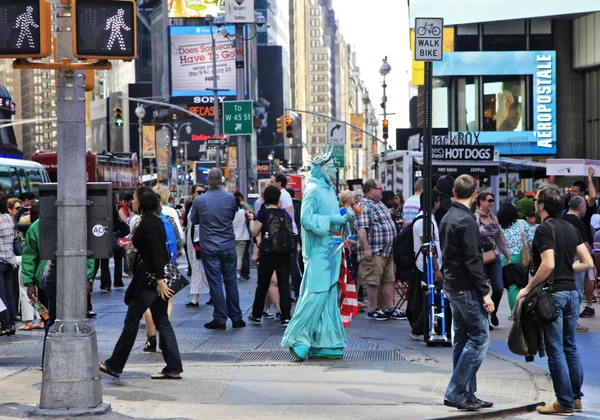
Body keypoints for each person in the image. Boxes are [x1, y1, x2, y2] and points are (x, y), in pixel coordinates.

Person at [517, 184, 593, 416]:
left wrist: (528, 287)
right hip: (571, 293)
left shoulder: (543, 229)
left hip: (554, 295)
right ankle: (575, 398)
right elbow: (588, 262)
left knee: (556, 349)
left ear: (541, 205)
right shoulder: (571, 228)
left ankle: (564, 402)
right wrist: (567, 269)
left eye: (537, 200)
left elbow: (548, 264)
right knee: (570, 347)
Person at [99, 186, 183, 379]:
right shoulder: (154, 220)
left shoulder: (148, 223)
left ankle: (115, 364)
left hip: (148, 281)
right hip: (152, 279)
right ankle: (173, 367)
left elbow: (158, 253)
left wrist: (161, 281)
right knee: (162, 321)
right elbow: (151, 248)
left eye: (135, 199)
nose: (132, 203)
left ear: (142, 202)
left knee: (132, 321)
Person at [281, 149, 355, 361]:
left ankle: (325, 341)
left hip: (331, 249)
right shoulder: (312, 190)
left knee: (328, 295)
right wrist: (335, 218)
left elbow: (330, 217)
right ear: (321, 168)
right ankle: (298, 338)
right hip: (318, 251)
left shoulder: (329, 190)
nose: (334, 170)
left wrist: (344, 216)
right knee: (316, 294)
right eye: (330, 166)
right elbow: (306, 219)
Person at [439, 174, 494, 411]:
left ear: (453, 192)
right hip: (465, 288)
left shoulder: (448, 217)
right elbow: (473, 261)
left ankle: (466, 393)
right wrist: (485, 293)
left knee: (462, 341)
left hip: (453, 286)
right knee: (480, 338)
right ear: (474, 194)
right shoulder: (466, 221)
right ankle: (456, 391)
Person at [190, 168, 245, 330]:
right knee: (231, 282)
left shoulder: (200, 201)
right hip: (228, 245)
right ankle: (236, 317)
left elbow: (194, 219)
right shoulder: (230, 199)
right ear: (221, 181)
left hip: (210, 247)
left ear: (208, 181)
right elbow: (232, 215)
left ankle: (220, 318)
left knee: (215, 282)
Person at [357, 179, 406, 321]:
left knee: (389, 280)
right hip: (374, 250)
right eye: (379, 189)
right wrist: (366, 248)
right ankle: (373, 309)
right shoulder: (364, 206)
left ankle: (389, 308)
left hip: (387, 250)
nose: (382, 191)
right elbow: (361, 229)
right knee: (373, 280)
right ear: (371, 190)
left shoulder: (379, 204)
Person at [247, 185, 293, 327]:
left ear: (265, 199)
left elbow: (254, 232)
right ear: (279, 199)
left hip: (268, 253)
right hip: (284, 253)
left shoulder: (263, 214)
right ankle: (286, 317)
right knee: (284, 285)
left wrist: (250, 220)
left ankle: (256, 315)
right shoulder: (285, 215)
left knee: (262, 285)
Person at [473, 191, 510, 330]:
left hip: (494, 257)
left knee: (499, 288)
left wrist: (507, 256)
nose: (491, 203)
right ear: (481, 202)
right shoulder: (475, 218)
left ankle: (493, 310)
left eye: (493, 200)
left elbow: (499, 238)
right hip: (481, 258)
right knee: (482, 289)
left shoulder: (494, 218)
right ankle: (485, 319)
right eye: (489, 200)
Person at [410, 190, 443, 341]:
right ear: (435, 203)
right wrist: (436, 269)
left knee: (425, 297)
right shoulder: (425, 222)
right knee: (427, 298)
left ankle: (422, 327)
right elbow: (428, 247)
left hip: (426, 266)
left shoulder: (427, 219)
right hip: (426, 267)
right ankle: (419, 329)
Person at [567, 168, 597, 319]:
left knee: (586, 276)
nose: (571, 193)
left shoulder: (585, 206)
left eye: (574, 191)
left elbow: (593, 196)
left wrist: (590, 178)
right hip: (572, 245)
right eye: (571, 190)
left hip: (584, 245)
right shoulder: (568, 205)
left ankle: (589, 305)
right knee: (578, 279)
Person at [561, 196, 591, 334]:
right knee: (577, 291)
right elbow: (584, 245)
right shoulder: (579, 223)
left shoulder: (562, 218)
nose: (586, 209)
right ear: (580, 207)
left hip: (562, 259)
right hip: (576, 259)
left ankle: (565, 320)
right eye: (585, 207)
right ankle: (573, 321)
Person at [497, 203, 534, 313]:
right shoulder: (522, 223)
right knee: (523, 284)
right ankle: (524, 309)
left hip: (506, 259)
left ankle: (515, 311)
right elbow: (530, 239)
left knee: (512, 286)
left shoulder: (499, 227)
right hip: (523, 257)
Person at [271, 173, 302, 299]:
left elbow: (289, 215)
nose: (270, 184)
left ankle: (298, 292)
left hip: (287, 234)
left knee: (292, 264)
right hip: (287, 233)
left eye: (272, 182)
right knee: (290, 264)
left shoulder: (284, 195)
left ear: (279, 183)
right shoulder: (283, 194)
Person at [233, 192, 250, 281]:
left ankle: (230, 274)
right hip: (243, 237)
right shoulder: (243, 212)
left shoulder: (229, 213)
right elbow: (252, 213)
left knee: (231, 257)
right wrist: (244, 205)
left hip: (231, 237)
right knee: (239, 256)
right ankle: (238, 274)